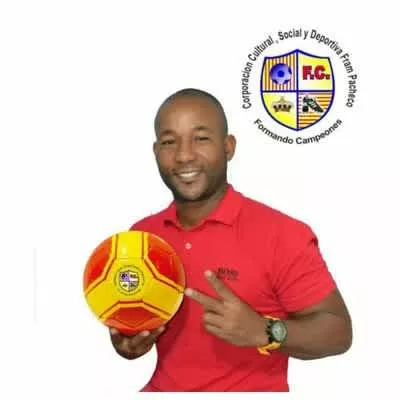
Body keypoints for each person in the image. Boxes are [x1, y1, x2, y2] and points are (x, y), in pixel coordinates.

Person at [109, 88, 353, 392]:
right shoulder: (141, 237)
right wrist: (129, 342)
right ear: (156, 151)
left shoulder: (281, 233)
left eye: (201, 138)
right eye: (170, 142)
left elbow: (338, 332)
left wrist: (265, 331)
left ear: (228, 147)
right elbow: (131, 330)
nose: (184, 155)